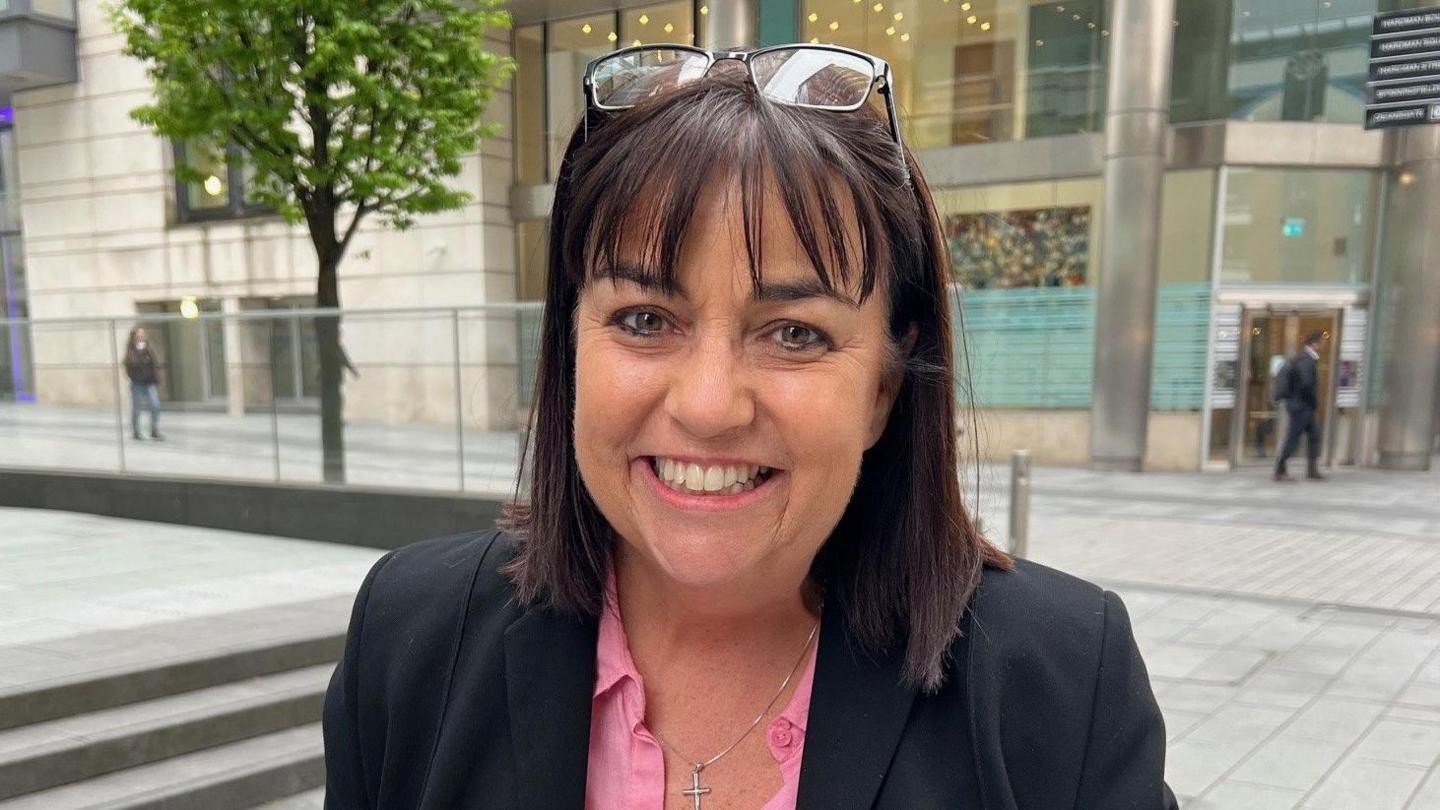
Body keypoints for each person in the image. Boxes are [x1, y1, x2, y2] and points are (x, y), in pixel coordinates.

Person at [322, 44, 1175, 809]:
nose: (708, 405)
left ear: (883, 383)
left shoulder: (1059, 686)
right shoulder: (411, 638)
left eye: (794, 333)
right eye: (645, 320)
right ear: (569, 345)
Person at [1273, 330, 1326, 482]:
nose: (1323, 345)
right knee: (1293, 438)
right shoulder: (1306, 360)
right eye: (1322, 342)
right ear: (1314, 343)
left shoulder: (1305, 358)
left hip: (1301, 404)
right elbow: (1306, 384)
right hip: (1301, 406)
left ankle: (1312, 469)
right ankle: (1279, 469)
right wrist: (1314, 401)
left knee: (1314, 435)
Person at [122, 326, 162, 441]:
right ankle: (136, 431)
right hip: (137, 384)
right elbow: (128, 366)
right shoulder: (131, 350)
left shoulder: (148, 348)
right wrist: (134, 377)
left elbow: (154, 364)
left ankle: (154, 430)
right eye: (138, 334)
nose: (141, 336)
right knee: (137, 408)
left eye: (142, 334)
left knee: (155, 405)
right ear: (134, 336)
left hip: (149, 382)